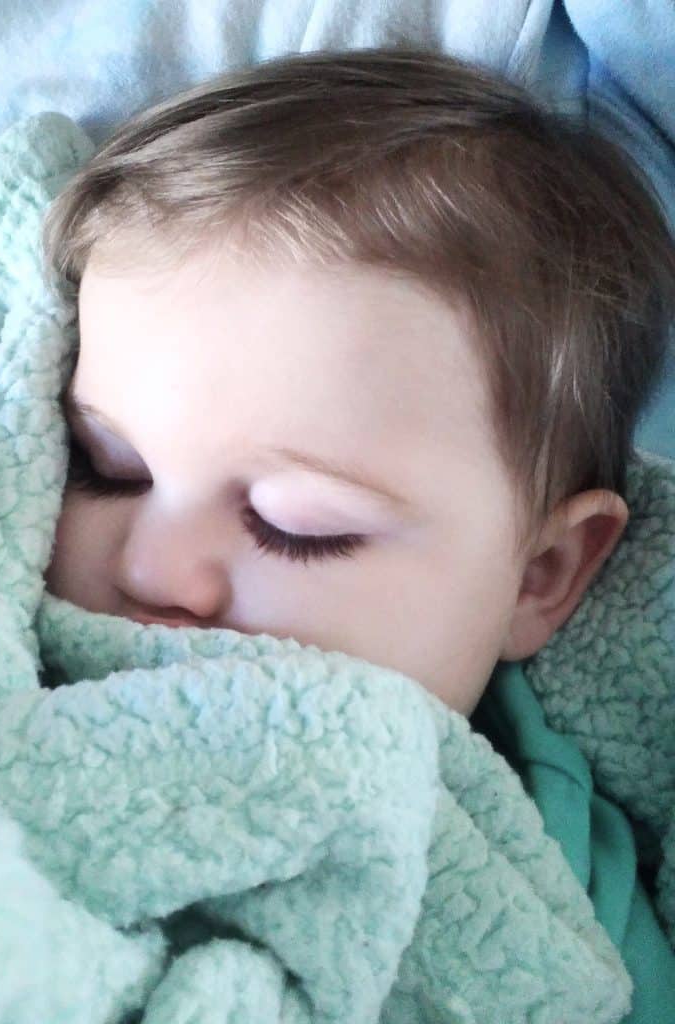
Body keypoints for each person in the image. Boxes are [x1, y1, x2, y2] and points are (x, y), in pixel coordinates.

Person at [40, 45, 675, 717]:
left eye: (297, 529)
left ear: (538, 576)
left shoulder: (547, 816)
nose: (152, 570)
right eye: (104, 468)